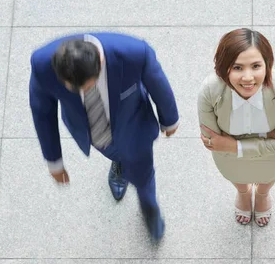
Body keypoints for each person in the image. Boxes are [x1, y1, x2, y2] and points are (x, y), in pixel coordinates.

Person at [29, 32, 179, 240]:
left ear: (101, 62)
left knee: (142, 174)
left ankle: (149, 207)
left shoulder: (135, 53)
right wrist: (54, 160)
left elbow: (158, 83)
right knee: (113, 151)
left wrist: (169, 119)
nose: (80, 91)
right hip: (91, 129)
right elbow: (42, 111)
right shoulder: (41, 64)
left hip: (133, 125)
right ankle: (118, 162)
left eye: (87, 86)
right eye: (73, 88)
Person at [198, 28, 275, 226]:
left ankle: (263, 195)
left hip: (267, 160)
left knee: (268, 177)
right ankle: (243, 193)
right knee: (237, 176)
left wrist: (234, 146)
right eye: (237, 67)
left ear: (267, 65)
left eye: (256, 66)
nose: (248, 78)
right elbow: (212, 142)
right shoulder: (210, 90)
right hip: (232, 160)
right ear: (223, 67)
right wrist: (270, 135)